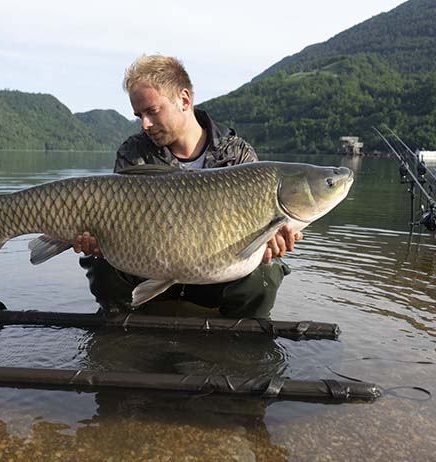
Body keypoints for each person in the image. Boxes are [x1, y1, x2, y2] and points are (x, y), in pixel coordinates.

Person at [74, 55, 301, 318]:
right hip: (146, 267)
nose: (145, 124)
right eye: (139, 115)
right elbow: (115, 219)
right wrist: (99, 239)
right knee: (101, 263)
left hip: (215, 275)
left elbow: (263, 229)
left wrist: (272, 241)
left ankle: (237, 333)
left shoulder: (237, 154)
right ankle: (124, 328)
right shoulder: (134, 152)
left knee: (266, 270)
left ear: (184, 99)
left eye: (152, 111)